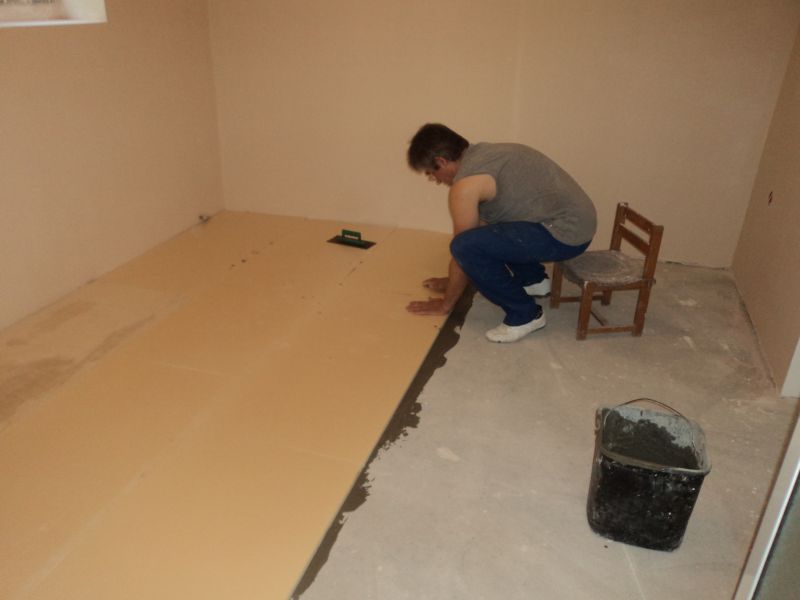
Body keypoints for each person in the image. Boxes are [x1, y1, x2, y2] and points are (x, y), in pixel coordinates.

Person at [405, 123, 597, 343]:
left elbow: (464, 248)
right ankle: (534, 280)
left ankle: (525, 314)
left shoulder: (466, 185)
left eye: (432, 173)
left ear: (441, 161)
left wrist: (446, 303)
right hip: (579, 222)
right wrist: (452, 281)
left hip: (566, 234)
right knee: (488, 233)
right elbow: (486, 228)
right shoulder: (486, 154)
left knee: (465, 246)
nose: (437, 180)